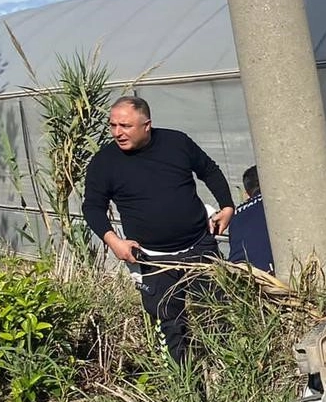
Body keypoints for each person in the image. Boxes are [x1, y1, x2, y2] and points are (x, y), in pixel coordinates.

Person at [81, 95, 235, 364]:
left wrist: (227, 206)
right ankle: (184, 385)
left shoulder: (176, 143)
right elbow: (92, 207)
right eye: (113, 125)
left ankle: (227, 371)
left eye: (125, 126)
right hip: (152, 259)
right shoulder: (104, 162)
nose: (118, 133)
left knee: (216, 313)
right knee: (170, 323)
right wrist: (113, 241)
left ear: (147, 125)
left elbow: (209, 170)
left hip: (199, 246)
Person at [226, 165, 275, 274]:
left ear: (247, 193)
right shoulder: (274, 202)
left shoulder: (236, 214)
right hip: (271, 274)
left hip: (240, 276)